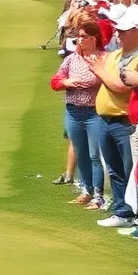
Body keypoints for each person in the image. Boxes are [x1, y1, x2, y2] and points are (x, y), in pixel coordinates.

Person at [89, 6, 138, 228]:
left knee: (131, 172)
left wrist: (101, 71)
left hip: (124, 122)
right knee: (115, 170)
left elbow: (120, 86)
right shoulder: (117, 54)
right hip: (105, 119)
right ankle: (123, 212)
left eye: (123, 31)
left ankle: (134, 213)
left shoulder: (137, 58)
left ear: (137, 31)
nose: (118, 34)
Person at [51, 20, 105, 208]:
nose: (80, 40)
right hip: (73, 111)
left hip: (94, 112)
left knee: (94, 155)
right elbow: (55, 82)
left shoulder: (103, 58)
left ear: (94, 38)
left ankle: (98, 194)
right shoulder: (72, 59)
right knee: (81, 153)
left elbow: (109, 80)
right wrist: (67, 82)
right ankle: (86, 189)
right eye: (79, 37)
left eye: (84, 37)